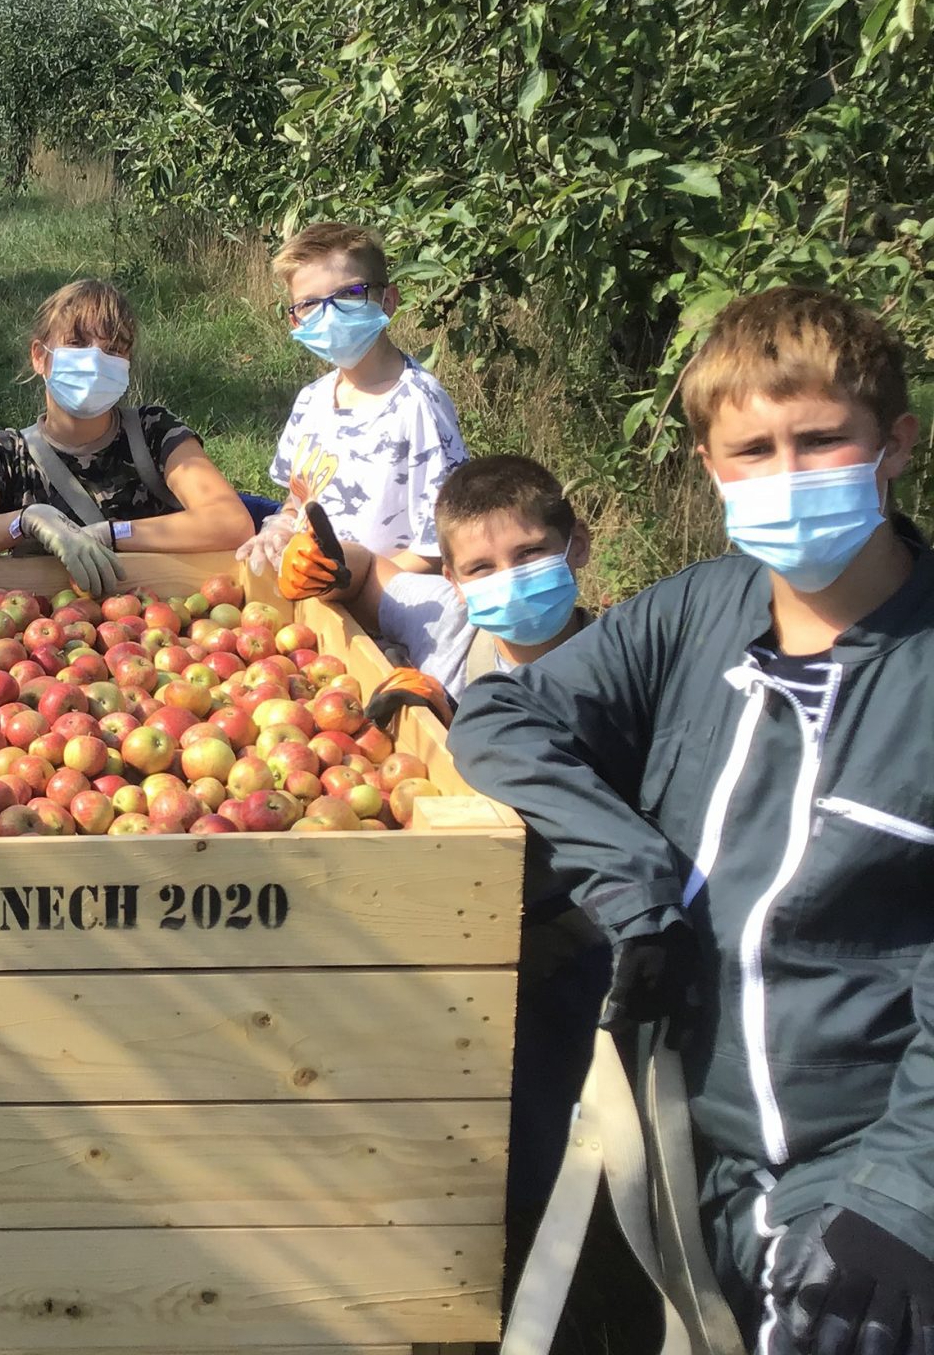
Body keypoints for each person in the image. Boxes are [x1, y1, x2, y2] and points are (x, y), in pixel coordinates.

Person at [451, 287, 933, 1352]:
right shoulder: (694, 612)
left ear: (893, 444)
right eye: (749, 449)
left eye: (819, 442)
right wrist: (631, 878)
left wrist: (903, 1195)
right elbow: (497, 718)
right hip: (677, 1135)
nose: (786, 475)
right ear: (710, 468)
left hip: (847, 1173)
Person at [0, 279, 252, 594]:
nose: (95, 359)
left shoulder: (154, 432)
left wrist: (113, 533)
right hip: (41, 638)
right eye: (77, 343)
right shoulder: (6, 455)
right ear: (39, 356)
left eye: (114, 348)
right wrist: (25, 521)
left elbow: (231, 523)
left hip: (157, 616)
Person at [240, 222, 467, 577]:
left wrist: (350, 586)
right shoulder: (311, 401)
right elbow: (299, 499)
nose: (329, 315)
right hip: (314, 603)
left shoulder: (418, 405)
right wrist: (282, 528)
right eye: (310, 304)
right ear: (295, 321)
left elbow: (438, 549)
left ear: (388, 301)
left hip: (384, 615)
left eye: (349, 294)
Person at [275, 454, 593, 697]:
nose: (510, 578)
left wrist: (452, 721)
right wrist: (327, 569)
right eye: (481, 568)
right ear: (453, 581)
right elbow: (368, 573)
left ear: (577, 545)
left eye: (529, 553)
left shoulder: (622, 673)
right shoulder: (449, 623)